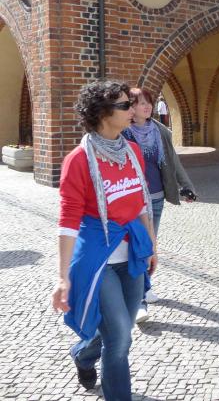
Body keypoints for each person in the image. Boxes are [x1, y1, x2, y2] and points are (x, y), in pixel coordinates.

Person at [51, 80, 157, 400]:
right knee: (121, 338)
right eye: (124, 105)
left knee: (119, 328)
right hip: (99, 259)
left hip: (132, 252)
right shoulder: (79, 160)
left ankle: (83, 354)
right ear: (102, 113)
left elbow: (141, 203)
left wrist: (151, 246)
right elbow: (68, 220)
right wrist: (62, 277)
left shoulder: (132, 151)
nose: (132, 110)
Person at [122, 87, 196, 323]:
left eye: (149, 102)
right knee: (139, 245)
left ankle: (144, 286)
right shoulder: (123, 133)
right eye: (140, 103)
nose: (147, 106)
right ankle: (139, 298)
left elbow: (173, 161)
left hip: (156, 197)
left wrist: (186, 186)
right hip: (134, 199)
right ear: (131, 107)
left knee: (149, 245)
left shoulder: (160, 131)